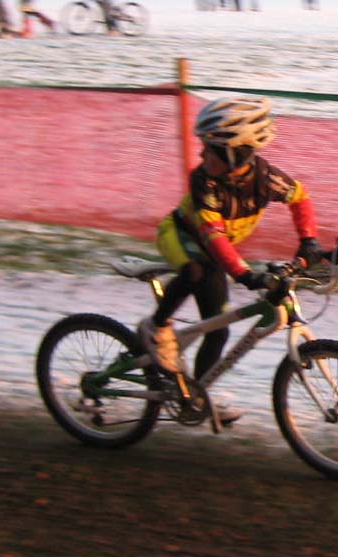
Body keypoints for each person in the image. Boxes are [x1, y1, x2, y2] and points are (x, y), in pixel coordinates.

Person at [138, 97, 324, 425]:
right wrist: (244, 274)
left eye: (209, 149)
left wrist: (309, 240)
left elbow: (301, 197)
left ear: (235, 153)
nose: (201, 155)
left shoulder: (266, 178)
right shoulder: (204, 180)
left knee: (218, 329)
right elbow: (212, 235)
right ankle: (157, 327)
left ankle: (193, 397)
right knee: (195, 270)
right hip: (182, 237)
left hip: (217, 252)